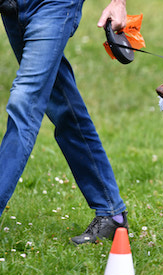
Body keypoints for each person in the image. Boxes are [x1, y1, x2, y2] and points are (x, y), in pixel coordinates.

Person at [0, 0, 130, 244]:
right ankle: (112, 213)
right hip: (12, 8)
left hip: (54, 5)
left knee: (24, 102)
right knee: (63, 104)